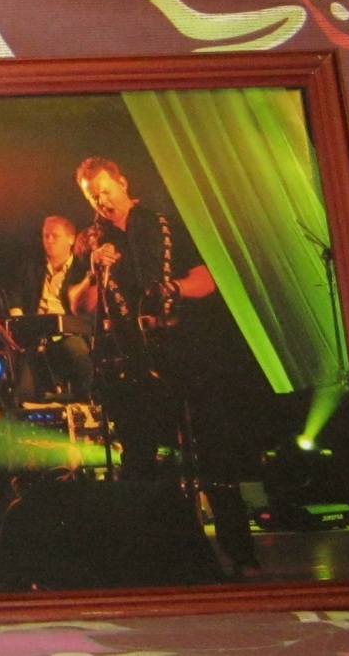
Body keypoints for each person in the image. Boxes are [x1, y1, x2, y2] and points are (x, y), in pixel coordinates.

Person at [75, 156, 264, 574]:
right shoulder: (90, 241)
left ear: (123, 182)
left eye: (105, 190)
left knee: (213, 455)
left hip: (185, 353)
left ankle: (241, 556)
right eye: (93, 197)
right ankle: (149, 561)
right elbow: (79, 305)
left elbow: (208, 279)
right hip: (130, 363)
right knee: (139, 462)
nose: (102, 201)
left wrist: (173, 288)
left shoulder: (166, 225)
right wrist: (92, 274)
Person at [7, 215, 96, 401]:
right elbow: (16, 296)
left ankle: (85, 400)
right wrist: (18, 319)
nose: (49, 240)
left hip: (70, 332)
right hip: (34, 332)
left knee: (77, 351)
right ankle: (25, 403)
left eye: (55, 236)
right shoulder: (32, 267)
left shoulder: (82, 270)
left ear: (70, 239)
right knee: (19, 362)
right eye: (45, 236)